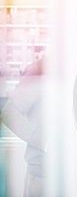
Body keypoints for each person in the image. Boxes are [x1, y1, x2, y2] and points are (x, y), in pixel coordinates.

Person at [2, 57, 47, 197]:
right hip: (42, 175)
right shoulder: (39, 76)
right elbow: (10, 113)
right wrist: (41, 139)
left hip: (70, 173)